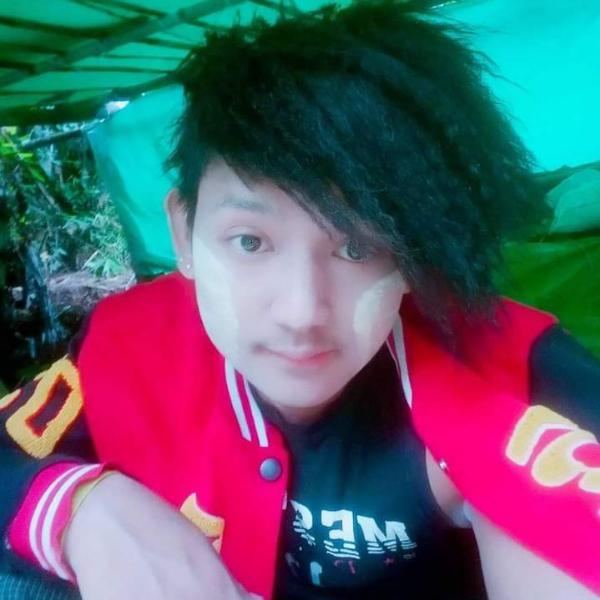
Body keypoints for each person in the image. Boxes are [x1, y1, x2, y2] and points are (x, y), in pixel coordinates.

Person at [1, 1, 599, 599]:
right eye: (250, 242)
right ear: (183, 234)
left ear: (413, 254)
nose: (301, 312)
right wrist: (82, 508)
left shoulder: (516, 365)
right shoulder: (128, 343)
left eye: (358, 249)